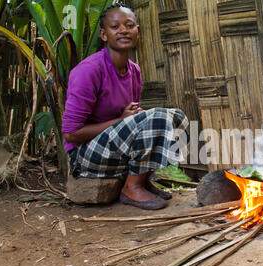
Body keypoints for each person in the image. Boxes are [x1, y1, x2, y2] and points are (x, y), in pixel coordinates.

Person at [62, 3, 188, 210]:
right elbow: (71, 134)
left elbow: (135, 121)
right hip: (85, 157)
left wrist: (130, 118)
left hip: (115, 152)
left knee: (177, 117)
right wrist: (121, 120)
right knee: (157, 117)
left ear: (137, 31)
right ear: (103, 35)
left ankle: (143, 180)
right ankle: (131, 188)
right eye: (115, 27)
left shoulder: (134, 71)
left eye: (129, 25)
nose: (123, 30)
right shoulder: (89, 71)